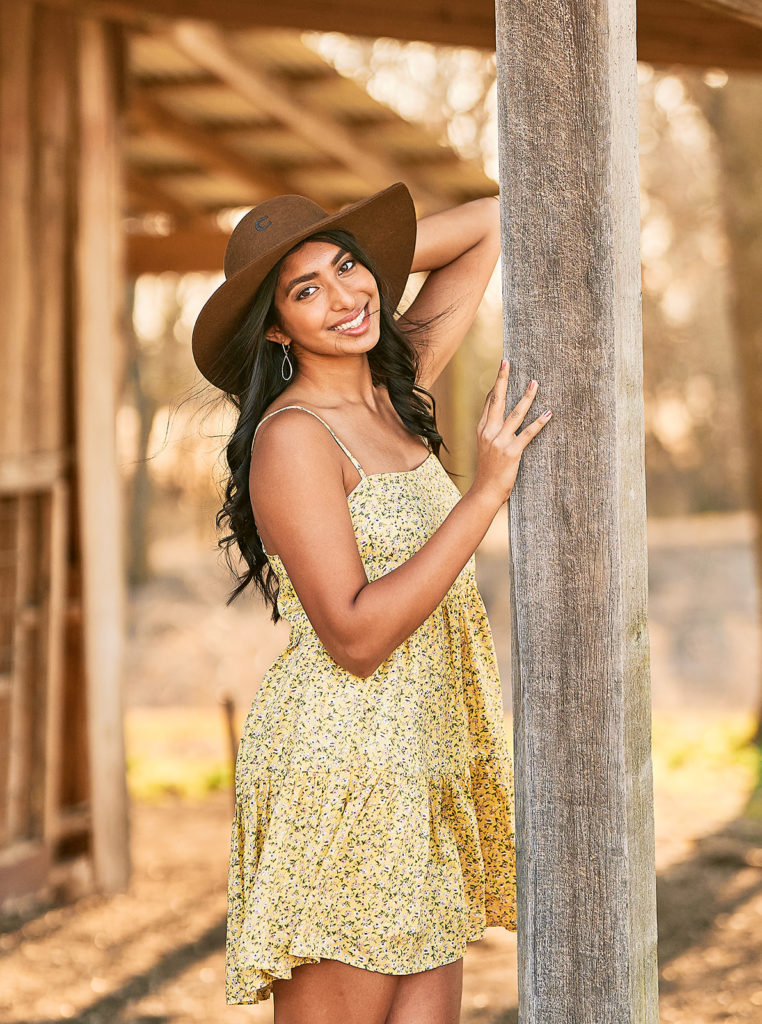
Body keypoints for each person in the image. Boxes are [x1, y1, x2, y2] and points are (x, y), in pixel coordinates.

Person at [191, 181, 551, 1024]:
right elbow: (353, 636)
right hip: (343, 768)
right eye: (304, 290)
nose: (343, 297)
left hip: (424, 757)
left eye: (348, 268)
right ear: (276, 327)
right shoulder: (294, 437)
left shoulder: (390, 390)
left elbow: (500, 217)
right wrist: (487, 492)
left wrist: (369, 269)